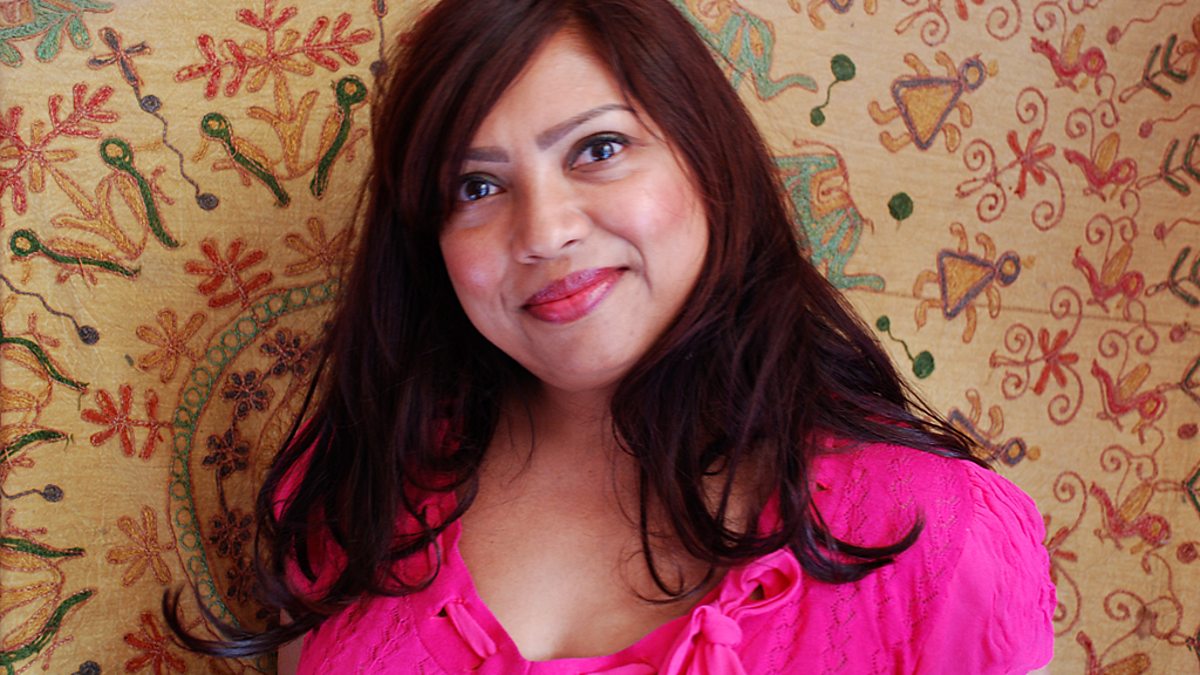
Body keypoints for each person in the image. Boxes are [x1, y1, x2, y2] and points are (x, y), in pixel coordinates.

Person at [167, 0, 1056, 672]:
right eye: (477, 187)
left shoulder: (938, 537)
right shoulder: (354, 496)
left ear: (705, 156)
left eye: (597, 149)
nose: (544, 231)